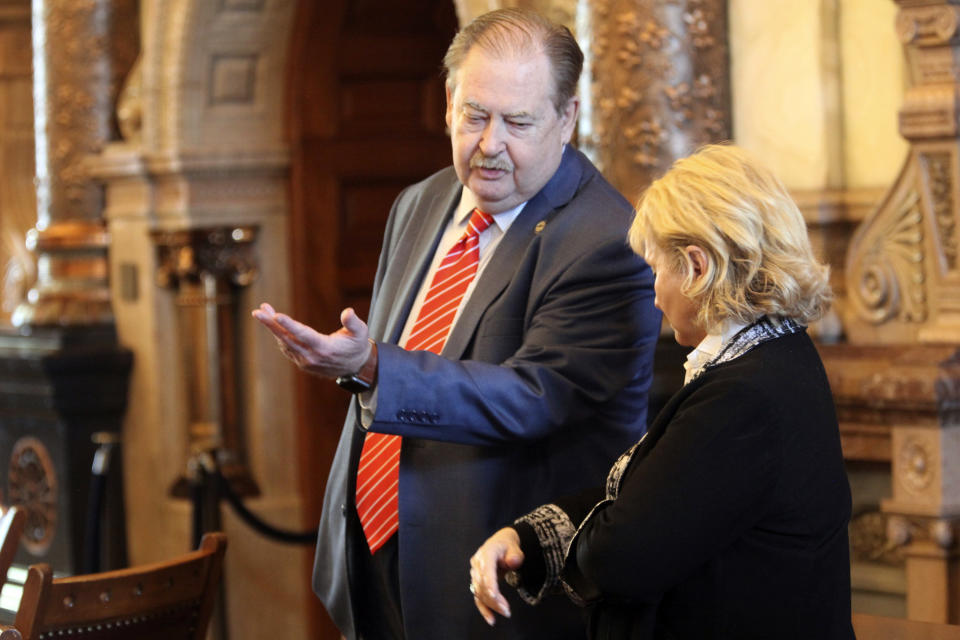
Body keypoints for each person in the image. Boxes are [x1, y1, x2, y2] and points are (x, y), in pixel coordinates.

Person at [252, 8, 661, 640]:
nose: (490, 143)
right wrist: (358, 364)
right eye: (475, 114)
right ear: (447, 103)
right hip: (371, 556)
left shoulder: (606, 239)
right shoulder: (421, 202)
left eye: (518, 121)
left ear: (567, 118)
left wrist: (371, 365)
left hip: (493, 589)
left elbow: (536, 397)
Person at [469, 143, 855, 639]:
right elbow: (657, 495)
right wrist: (526, 537)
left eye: (657, 269)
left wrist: (565, 542)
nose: (654, 293)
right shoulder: (777, 355)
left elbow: (620, 559)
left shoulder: (744, 396)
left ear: (697, 267)